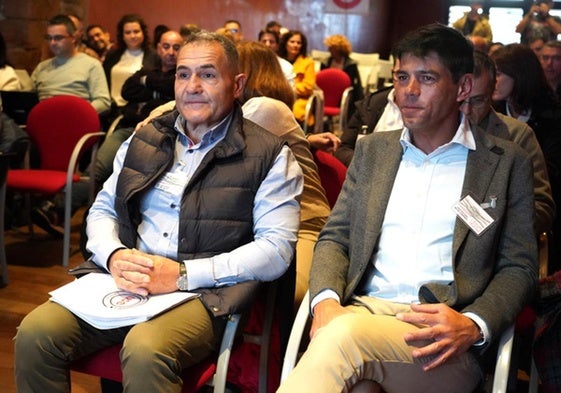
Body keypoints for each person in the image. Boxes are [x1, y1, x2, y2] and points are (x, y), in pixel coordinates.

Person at [14, 31, 303, 392]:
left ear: (237, 84)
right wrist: (114, 254)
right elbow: (103, 209)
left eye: (208, 74)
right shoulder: (146, 137)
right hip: (128, 278)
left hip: (203, 292)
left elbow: (276, 251)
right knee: (35, 333)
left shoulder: (270, 154)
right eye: (183, 74)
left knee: (146, 349)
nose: (192, 86)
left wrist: (182, 275)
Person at [278, 23, 538, 393]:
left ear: (462, 88)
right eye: (402, 77)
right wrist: (325, 302)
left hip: (442, 333)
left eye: (427, 78)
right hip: (361, 311)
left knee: (342, 338)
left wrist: (476, 323)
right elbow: (335, 239)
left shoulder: (504, 162)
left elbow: (519, 266)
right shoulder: (373, 151)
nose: (409, 92)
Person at [237, 40, 331, 307]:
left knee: (289, 294)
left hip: (302, 226)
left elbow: (218, 144)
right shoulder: (253, 112)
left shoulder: (265, 107)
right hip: (258, 227)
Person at [461, 50, 554, 235]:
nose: (466, 111)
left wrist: (470, 214)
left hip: (492, 251)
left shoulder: (517, 136)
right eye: (459, 100)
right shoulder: (427, 134)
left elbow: (542, 210)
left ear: (491, 94)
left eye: (478, 101)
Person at [491, 43, 561, 272]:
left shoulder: (552, 115)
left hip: (540, 211)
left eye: (499, 74)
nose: (493, 80)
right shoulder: (490, 113)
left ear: (519, 76)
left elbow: (551, 173)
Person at [31, 14, 110, 114]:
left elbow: (103, 102)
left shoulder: (91, 65)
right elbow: (29, 98)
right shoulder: (42, 67)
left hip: (76, 121)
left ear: (73, 38)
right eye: (49, 38)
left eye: (58, 38)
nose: (52, 43)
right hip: (44, 119)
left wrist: (78, 113)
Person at [103, 14, 158, 128]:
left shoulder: (154, 56)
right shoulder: (112, 55)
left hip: (136, 112)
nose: (132, 36)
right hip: (110, 109)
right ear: (122, 35)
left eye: (136, 31)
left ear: (143, 33)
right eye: (128, 32)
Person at [321, 34, 364, 117]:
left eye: (332, 48)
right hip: (327, 94)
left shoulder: (351, 64)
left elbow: (355, 86)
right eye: (329, 47)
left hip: (344, 95)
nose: (329, 50)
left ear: (340, 49)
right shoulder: (325, 63)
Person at [279, 30, 316, 127]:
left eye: (299, 43)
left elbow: (308, 86)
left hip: (300, 99)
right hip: (279, 96)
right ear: (285, 43)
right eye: (292, 42)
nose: (295, 45)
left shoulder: (308, 62)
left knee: (293, 111)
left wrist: (289, 88)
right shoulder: (278, 60)